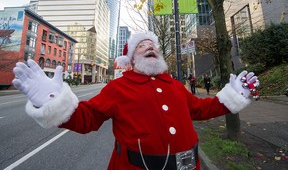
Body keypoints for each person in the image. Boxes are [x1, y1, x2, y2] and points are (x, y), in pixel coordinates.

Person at [12, 31, 259, 170]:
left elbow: (200, 108)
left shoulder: (173, 85)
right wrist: (50, 100)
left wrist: (232, 96)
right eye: (142, 45)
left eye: (152, 44)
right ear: (131, 59)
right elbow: (87, 119)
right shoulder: (118, 87)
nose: (149, 46)